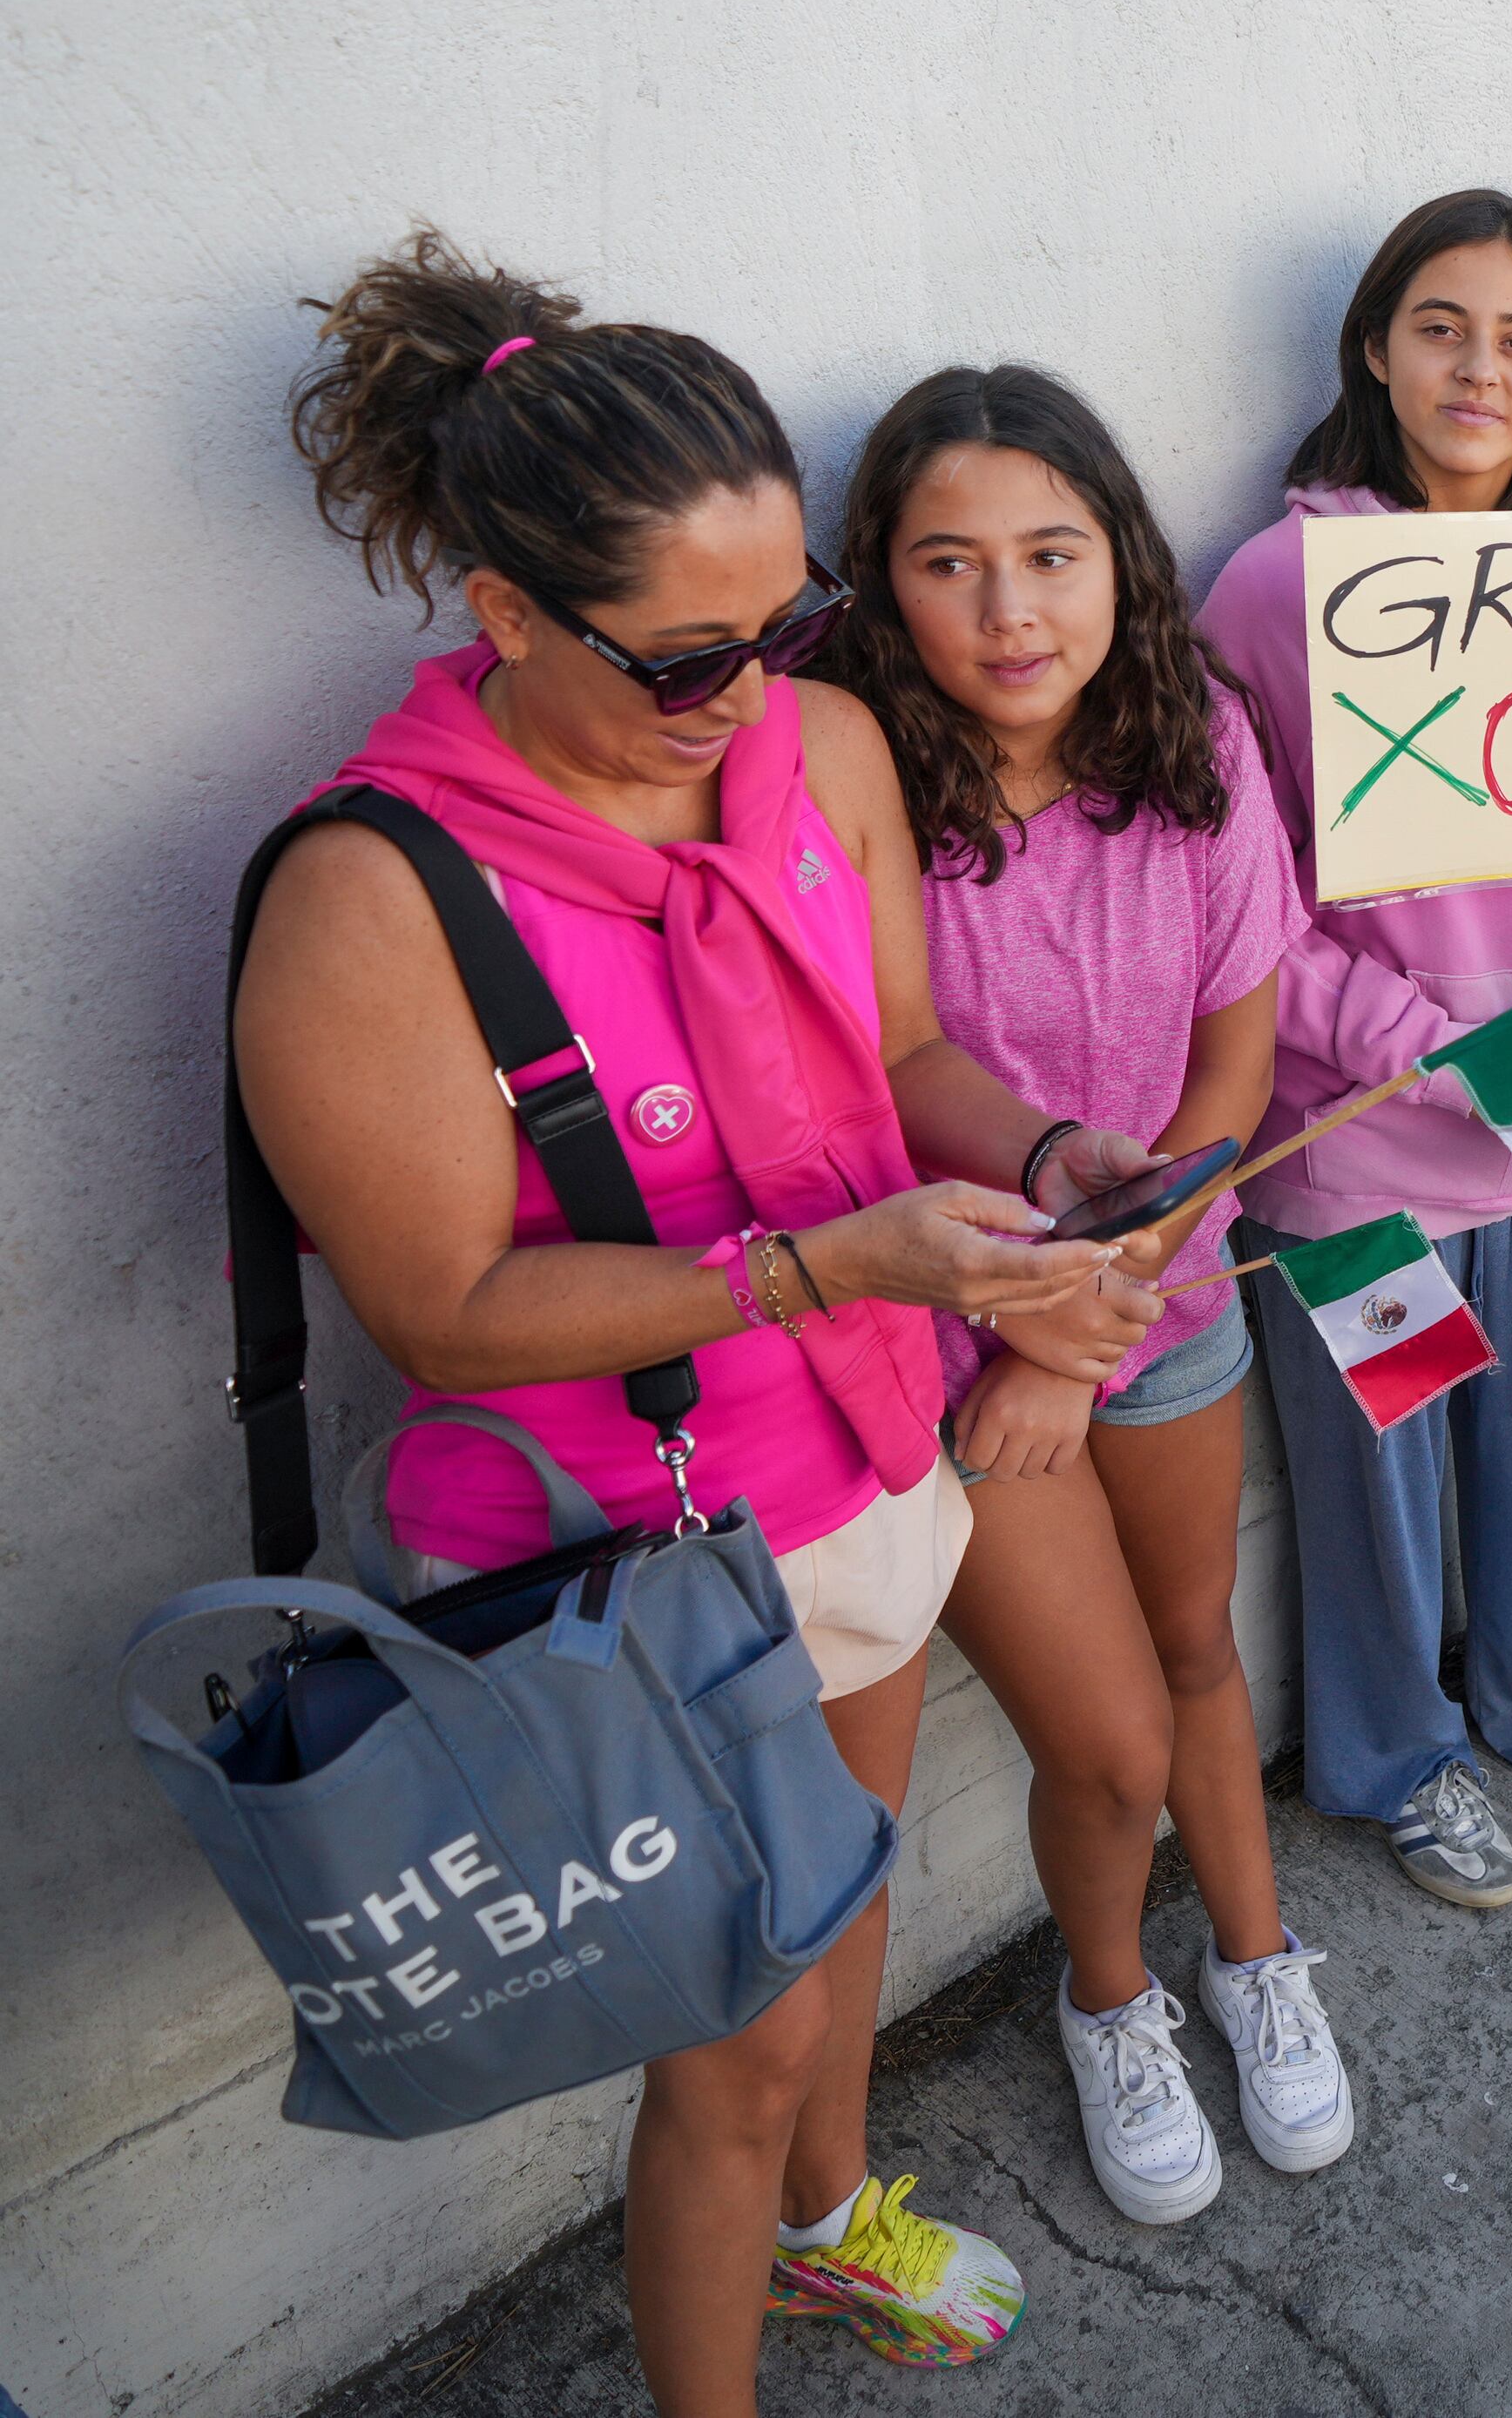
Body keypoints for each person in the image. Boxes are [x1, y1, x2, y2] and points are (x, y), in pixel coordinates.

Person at [245, 232, 1164, 2411]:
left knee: (837, 1915)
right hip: (621, 1553)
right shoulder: (372, 893)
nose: (745, 686)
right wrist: (831, 1264)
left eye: (784, 628)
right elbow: (443, 1309)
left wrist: (1047, 1163)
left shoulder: (821, 742)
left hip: (865, 1451)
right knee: (732, 2047)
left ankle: (828, 2237)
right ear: (501, 616)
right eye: (681, 657)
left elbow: (904, 1046)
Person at [822, 364, 1353, 2227]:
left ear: (1120, 562)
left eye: (1051, 554)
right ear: (880, 587)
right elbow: (881, 1071)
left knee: (1203, 1641)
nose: (1010, 609)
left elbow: (1235, 1060)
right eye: (948, 564)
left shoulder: (1195, 738)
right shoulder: (858, 774)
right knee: (1108, 1736)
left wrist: (1118, 1281)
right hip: (962, 1331)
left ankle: (1259, 1955)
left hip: (1169, 1284)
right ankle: (1111, 1995)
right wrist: (1040, 1319)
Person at [1197, 190, 1512, 1914]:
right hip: (1361, 1146)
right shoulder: (1274, 591)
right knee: (1383, 1485)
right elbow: (1241, 902)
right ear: (1373, 348)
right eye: (1441, 324)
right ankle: (1399, 1760)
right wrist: (1424, 1042)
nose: (1479, 366)